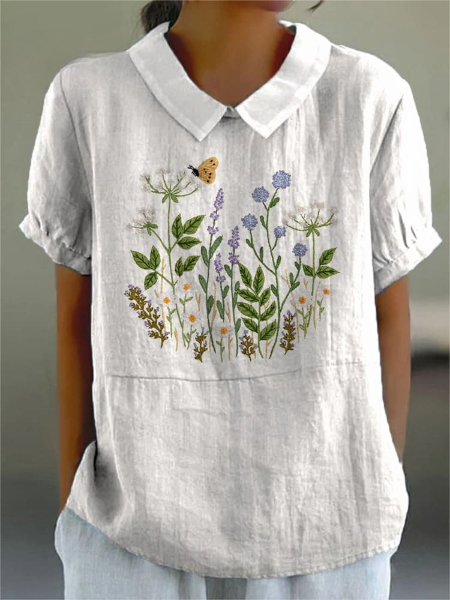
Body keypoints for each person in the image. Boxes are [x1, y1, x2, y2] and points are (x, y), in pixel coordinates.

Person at [18, 0, 443, 598]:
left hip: (332, 537)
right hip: (129, 541)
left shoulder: (369, 98)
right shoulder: (90, 100)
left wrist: (375, 493)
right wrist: (80, 520)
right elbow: (75, 325)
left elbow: (386, 320)